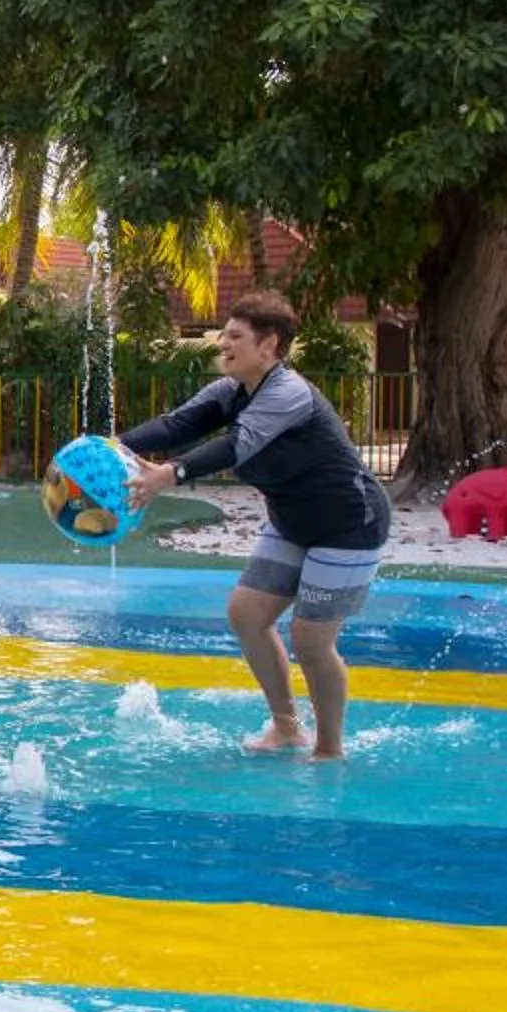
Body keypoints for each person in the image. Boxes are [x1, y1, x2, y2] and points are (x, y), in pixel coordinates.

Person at [120, 291, 392, 761]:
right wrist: (109, 445)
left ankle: (329, 750)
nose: (222, 342)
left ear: (269, 345)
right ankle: (287, 726)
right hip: (291, 523)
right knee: (246, 615)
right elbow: (176, 425)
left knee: (311, 640)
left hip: (349, 525)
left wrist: (171, 474)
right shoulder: (229, 392)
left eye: (235, 336)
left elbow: (236, 445)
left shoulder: (288, 393)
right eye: (224, 333)